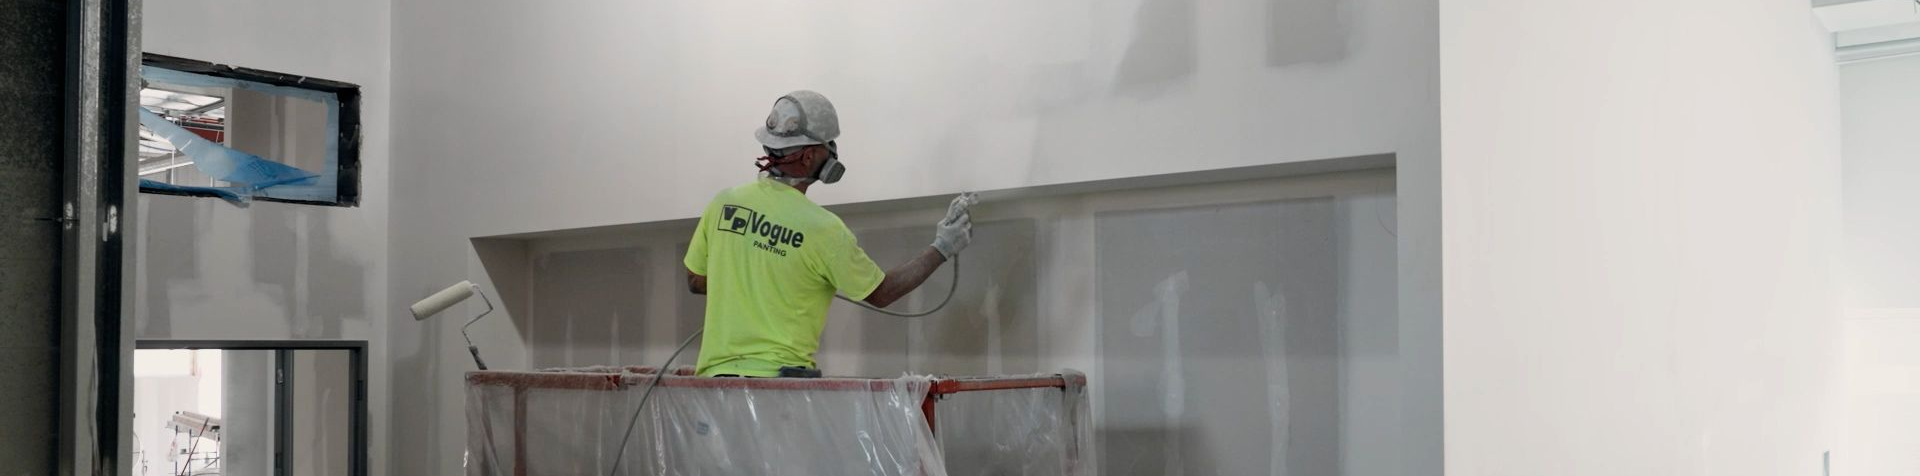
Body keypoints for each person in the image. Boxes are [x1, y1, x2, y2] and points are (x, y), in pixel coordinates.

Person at [683, 90, 976, 377]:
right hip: (776, 390)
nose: (833, 152)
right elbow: (882, 293)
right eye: (829, 144)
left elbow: (696, 281)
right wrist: (942, 248)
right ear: (810, 155)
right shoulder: (822, 228)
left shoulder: (724, 203)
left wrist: (754, 281)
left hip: (713, 389)